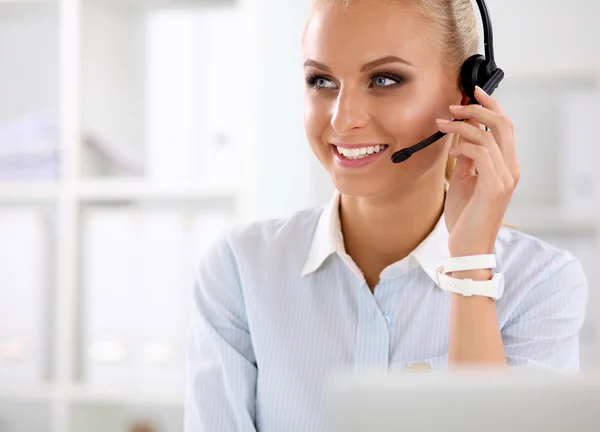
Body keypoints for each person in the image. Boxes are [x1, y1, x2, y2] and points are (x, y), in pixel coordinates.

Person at [184, 0, 589, 431]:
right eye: (321, 80)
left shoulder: (541, 284)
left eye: (384, 79)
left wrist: (470, 264)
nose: (343, 119)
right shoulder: (240, 272)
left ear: (468, 95)